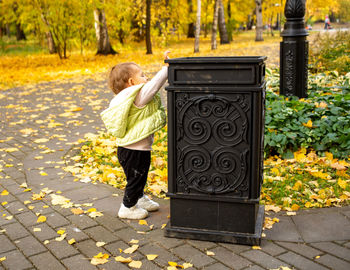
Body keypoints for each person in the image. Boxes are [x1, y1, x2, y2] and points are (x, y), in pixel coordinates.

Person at [101, 51, 170, 219]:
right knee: (136, 178)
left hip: (127, 149)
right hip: (135, 150)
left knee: (139, 176)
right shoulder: (137, 95)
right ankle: (127, 207)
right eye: (143, 75)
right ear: (131, 82)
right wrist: (167, 68)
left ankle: (139, 198)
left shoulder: (123, 98)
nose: (146, 78)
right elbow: (153, 87)